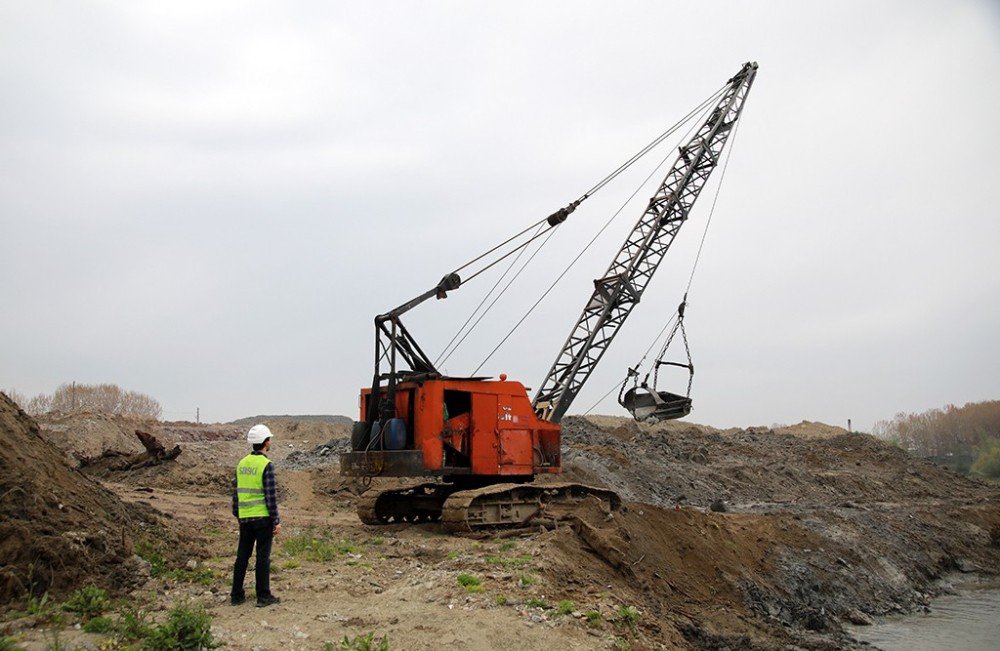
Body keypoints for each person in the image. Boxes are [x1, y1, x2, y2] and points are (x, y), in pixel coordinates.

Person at [230, 423, 282, 607]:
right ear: (265, 442)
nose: (270, 442)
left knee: (242, 556)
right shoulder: (266, 464)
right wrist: (276, 520)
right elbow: (270, 496)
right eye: (269, 439)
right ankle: (263, 596)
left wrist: (238, 514)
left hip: (245, 518)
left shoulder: (242, 464)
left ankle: (236, 595)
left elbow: (236, 492)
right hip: (262, 519)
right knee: (262, 557)